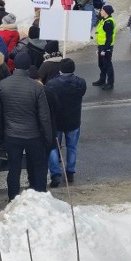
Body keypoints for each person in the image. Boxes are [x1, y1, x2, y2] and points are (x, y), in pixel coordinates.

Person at [0, 52, 53, 200]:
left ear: (14, 65)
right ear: (28, 66)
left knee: (14, 168)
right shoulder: (37, 87)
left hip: (12, 134)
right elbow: (44, 117)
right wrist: (49, 138)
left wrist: (1, 136)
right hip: (33, 135)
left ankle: (13, 198)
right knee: (38, 166)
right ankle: (40, 196)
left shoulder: (3, 85)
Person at [45, 58, 86, 187]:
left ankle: (55, 173)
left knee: (53, 147)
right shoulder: (81, 83)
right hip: (73, 120)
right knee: (72, 147)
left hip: (57, 121)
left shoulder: (52, 84)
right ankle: (70, 172)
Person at [93, 5, 116, 91]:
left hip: (107, 46)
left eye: (102, 10)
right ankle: (102, 80)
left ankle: (110, 83)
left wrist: (105, 49)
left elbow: (109, 37)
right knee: (101, 64)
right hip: (101, 46)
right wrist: (99, 48)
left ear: (106, 12)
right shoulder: (103, 20)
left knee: (107, 65)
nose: (100, 11)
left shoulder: (108, 22)